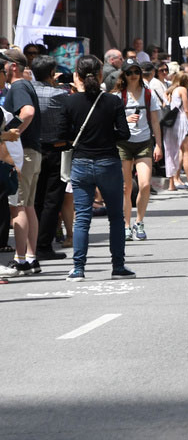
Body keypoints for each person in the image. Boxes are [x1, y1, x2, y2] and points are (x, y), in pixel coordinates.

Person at [61, 56, 133, 281]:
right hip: (108, 162)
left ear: (78, 76)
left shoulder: (69, 102)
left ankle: (78, 268)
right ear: (101, 75)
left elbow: (63, 136)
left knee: (82, 217)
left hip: (81, 162)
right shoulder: (113, 102)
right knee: (116, 217)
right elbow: (124, 134)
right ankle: (118, 266)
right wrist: (105, 135)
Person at [2, 48, 43, 277]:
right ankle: (31, 257)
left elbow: (28, 111)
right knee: (27, 205)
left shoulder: (18, 86)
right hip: (33, 152)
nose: (3, 68)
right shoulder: (26, 85)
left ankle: (21, 260)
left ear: (13, 66)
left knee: (17, 206)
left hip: (24, 153)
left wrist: (11, 131)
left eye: (4, 64)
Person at [116, 58, 163, 241]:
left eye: (136, 72)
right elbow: (112, 120)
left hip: (144, 142)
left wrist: (158, 144)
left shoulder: (148, 94)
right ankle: (126, 225)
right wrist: (125, 120)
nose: (133, 76)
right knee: (126, 187)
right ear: (124, 75)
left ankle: (139, 221)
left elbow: (155, 121)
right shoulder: (118, 95)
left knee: (144, 184)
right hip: (124, 143)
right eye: (129, 72)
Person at [30, 55, 69, 261]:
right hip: (55, 149)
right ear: (52, 73)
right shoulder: (60, 94)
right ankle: (44, 245)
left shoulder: (27, 91)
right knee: (52, 200)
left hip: (32, 148)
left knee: (33, 199)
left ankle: (31, 244)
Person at [163, 69, 188, 191]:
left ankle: (172, 183)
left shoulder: (169, 91)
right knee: (186, 153)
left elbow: (165, 107)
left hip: (170, 122)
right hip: (182, 121)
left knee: (171, 151)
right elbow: (187, 110)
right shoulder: (182, 90)